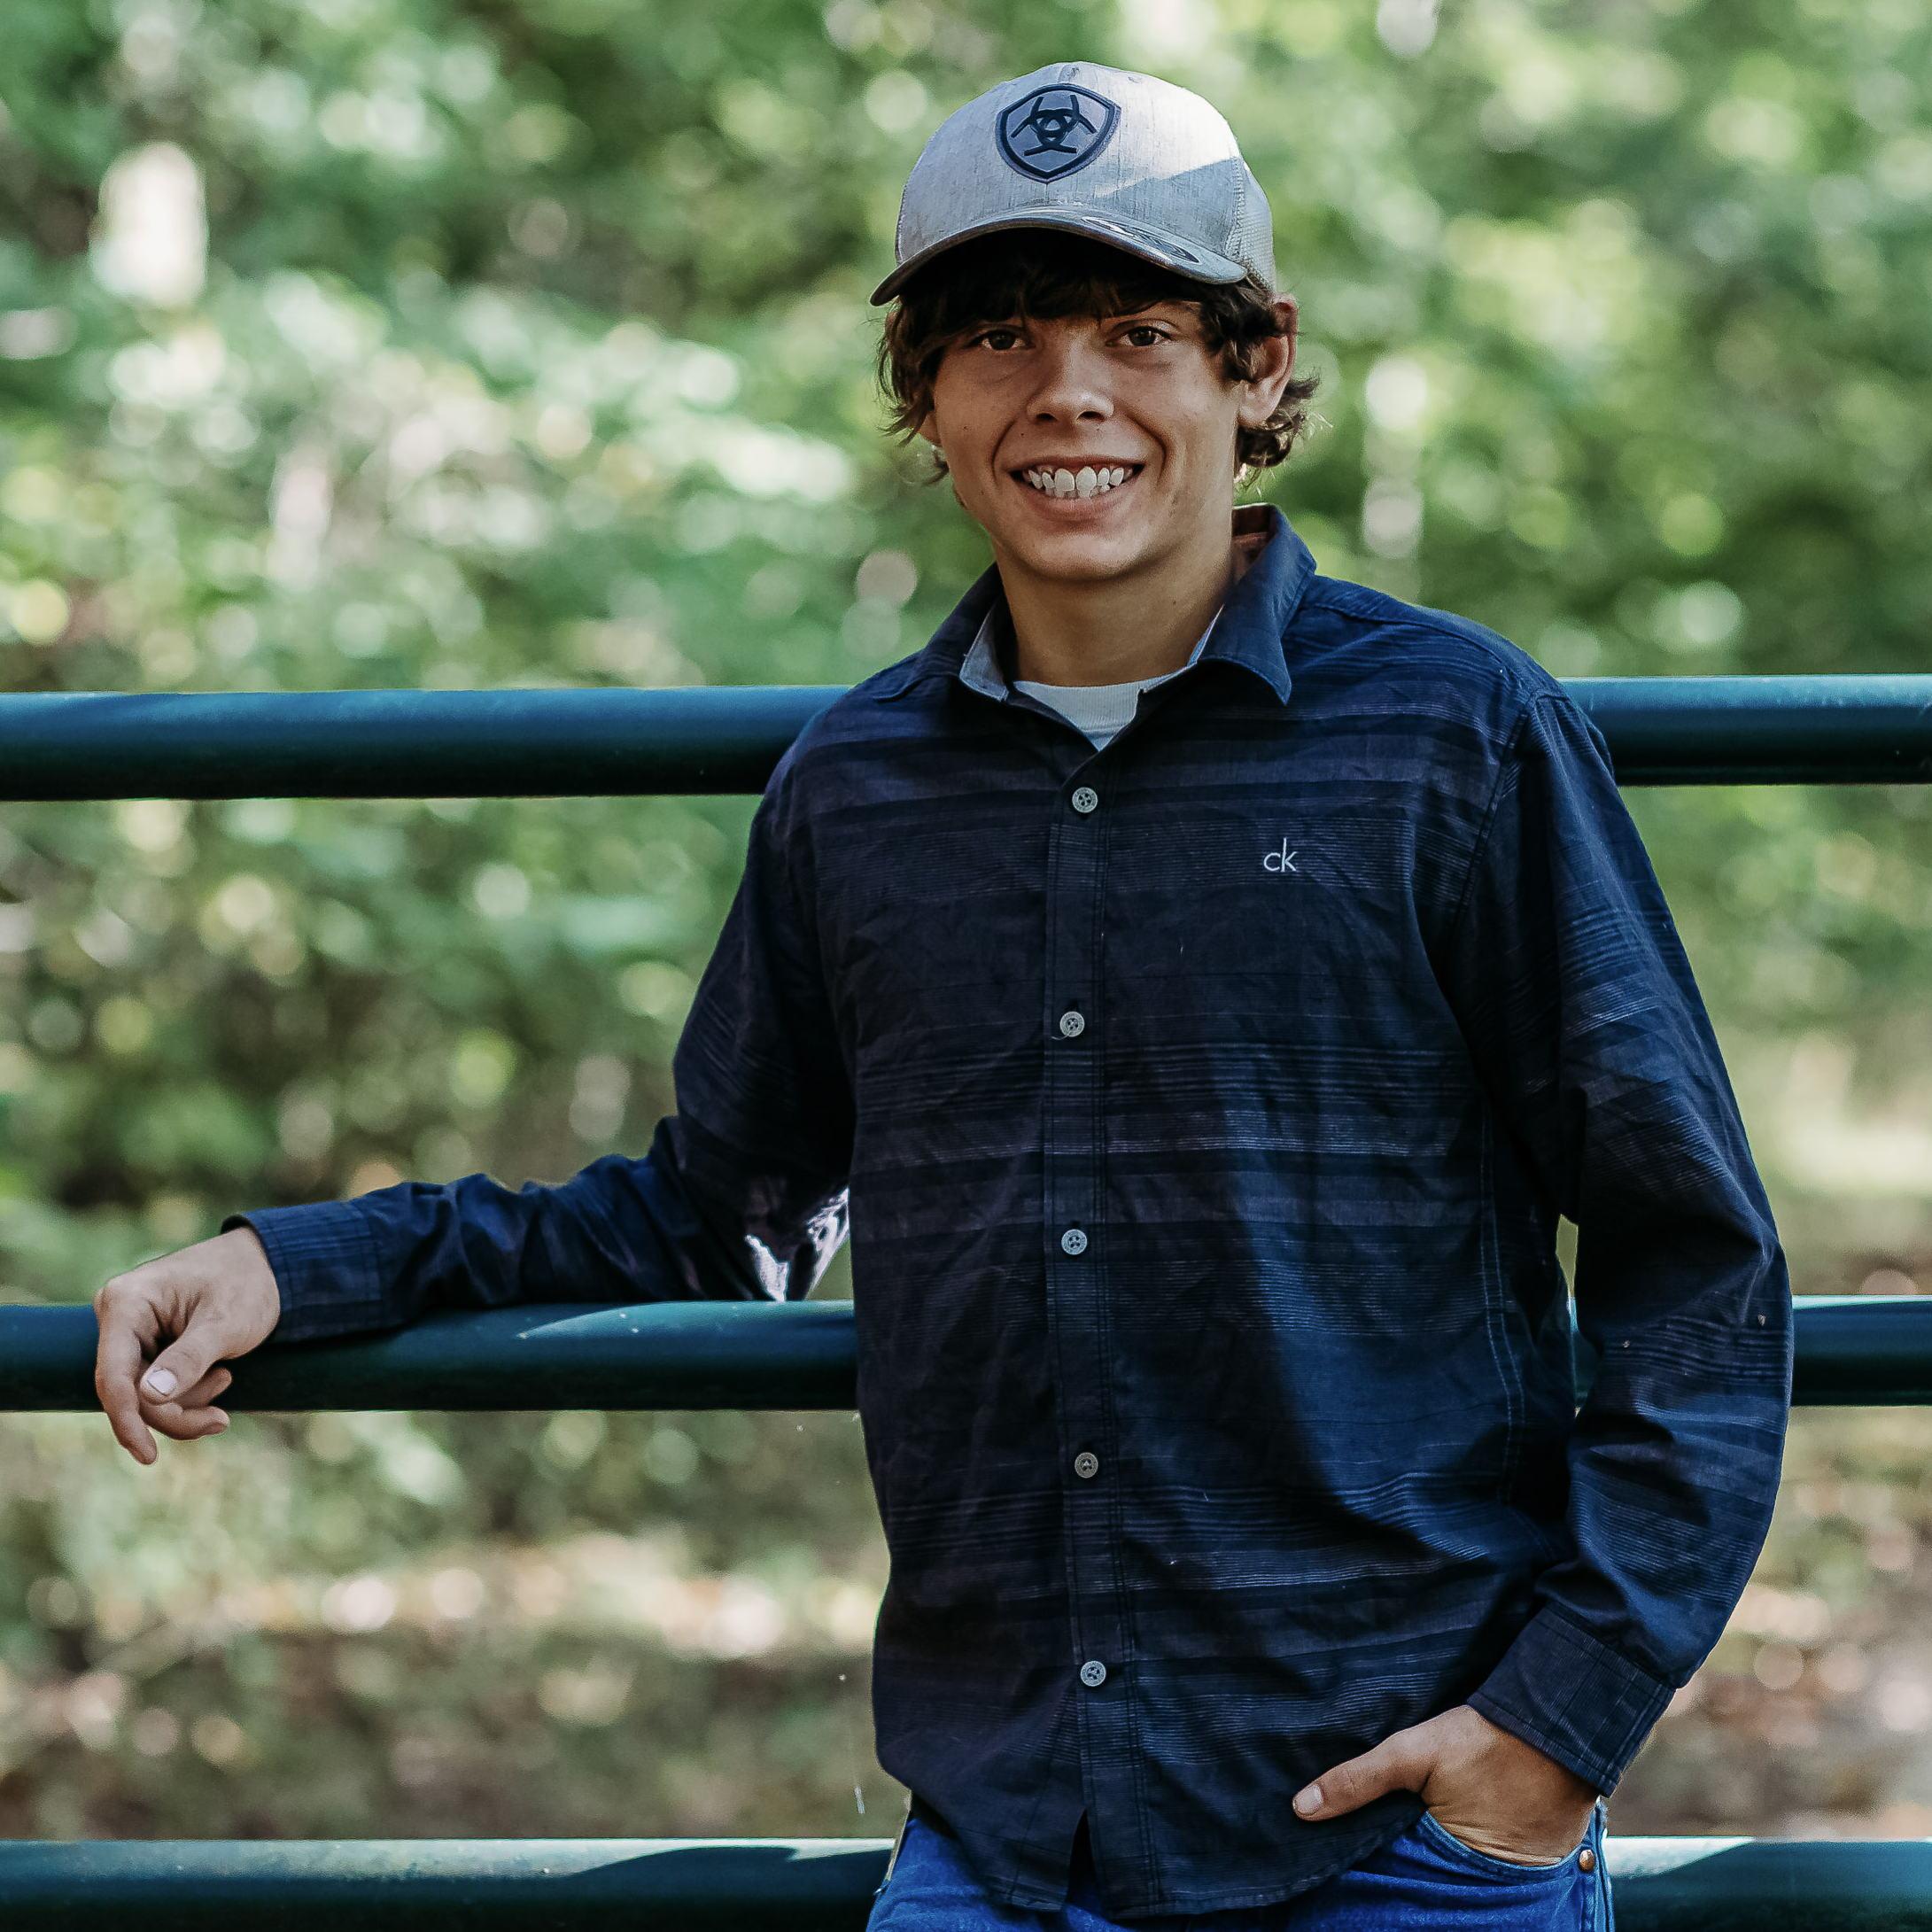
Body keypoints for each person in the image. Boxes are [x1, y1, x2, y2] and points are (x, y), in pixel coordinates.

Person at [92, 58, 1792, 1932]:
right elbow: (711, 1216)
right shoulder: (854, 790)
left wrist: (1554, 1722)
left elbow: (1690, 1251)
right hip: (1008, 1834)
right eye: (999, 335)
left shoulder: (1453, 738)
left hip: (1400, 1817)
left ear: (1254, 364)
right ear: (926, 392)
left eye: (1139, 330)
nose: (1068, 390)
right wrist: (300, 1267)